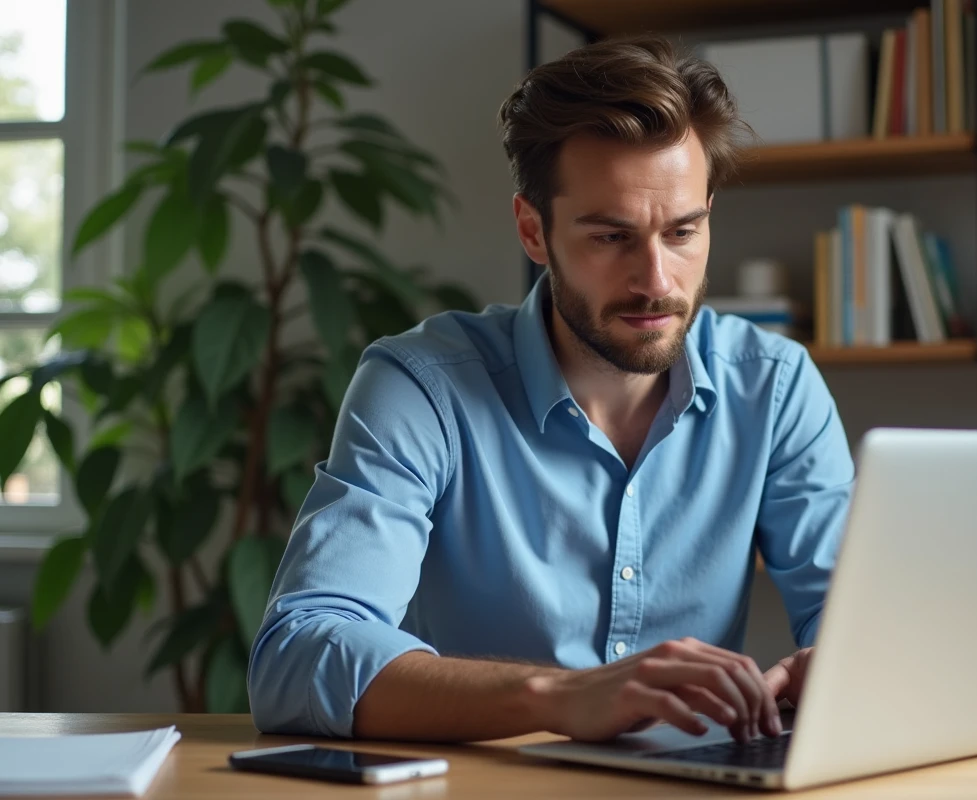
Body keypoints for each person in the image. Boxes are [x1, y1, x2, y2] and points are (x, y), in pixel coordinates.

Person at [248, 34, 855, 745]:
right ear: (533, 231)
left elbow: (860, 625)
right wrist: (562, 698)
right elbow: (297, 655)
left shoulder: (775, 387)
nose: (657, 280)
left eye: (683, 231)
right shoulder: (423, 387)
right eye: (610, 237)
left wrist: (844, 666)